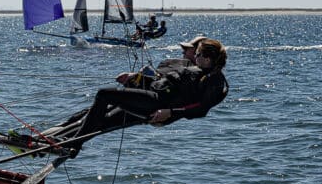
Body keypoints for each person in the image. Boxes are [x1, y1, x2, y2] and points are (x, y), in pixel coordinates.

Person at [61, 38, 229, 143]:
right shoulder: (197, 69)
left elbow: (201, 109)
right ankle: (62, 137)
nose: (195, 57)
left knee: (104, 95)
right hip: (153, 96)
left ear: (207, 59)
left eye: (198, 54)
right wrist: (136, 77)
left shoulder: (215, 81)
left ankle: (74, 142)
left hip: (156, 103)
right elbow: (165, 81)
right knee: (103, 118)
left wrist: (170, 112)